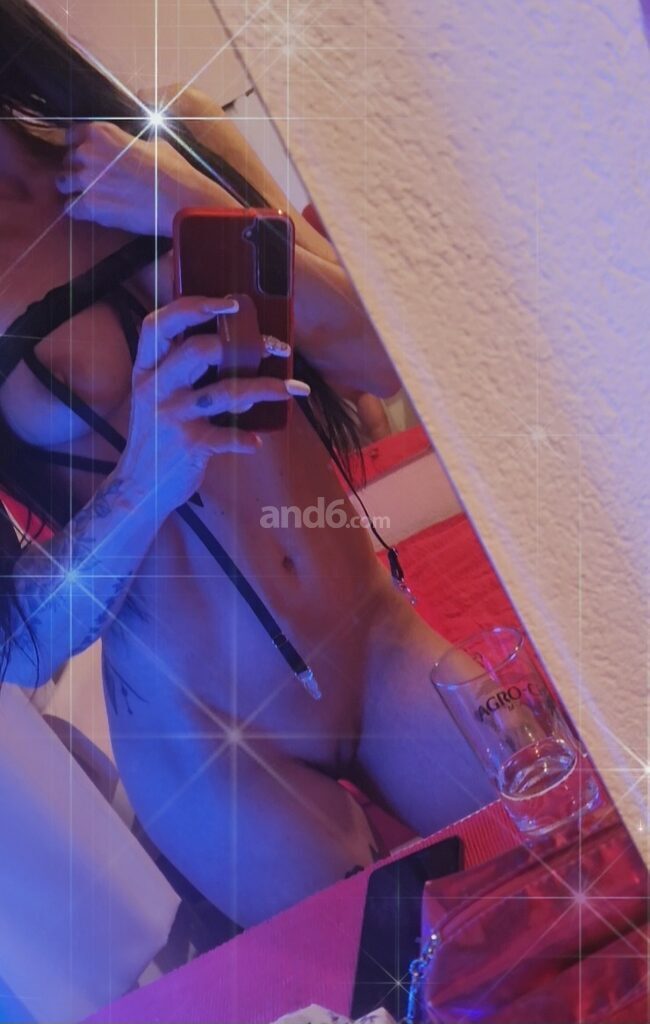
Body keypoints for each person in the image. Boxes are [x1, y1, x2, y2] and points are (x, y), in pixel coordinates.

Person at [0, 0, 493, 929]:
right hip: (204, 735)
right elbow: (16, 643)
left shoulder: (162, 131)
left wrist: (191, 201)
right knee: (394, 984)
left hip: (376, 640)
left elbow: (383, 365)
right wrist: (144, 479)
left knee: (583, 865)